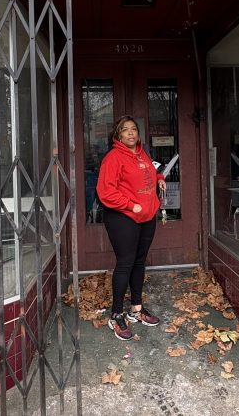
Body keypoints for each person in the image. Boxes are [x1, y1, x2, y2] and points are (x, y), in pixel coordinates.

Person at [96, 115, 166, 340]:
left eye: (134, 129)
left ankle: (136, 309)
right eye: (125, 130)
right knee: (125, 263)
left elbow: (149, 171)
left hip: (147, 216)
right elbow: (106, 192)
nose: (130, 133)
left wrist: (160, 177)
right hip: (123, 217)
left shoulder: (141, 153)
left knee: (139, 261)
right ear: (118, 135)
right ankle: (116, 314)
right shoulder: (113, 158)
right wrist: (130, 205)